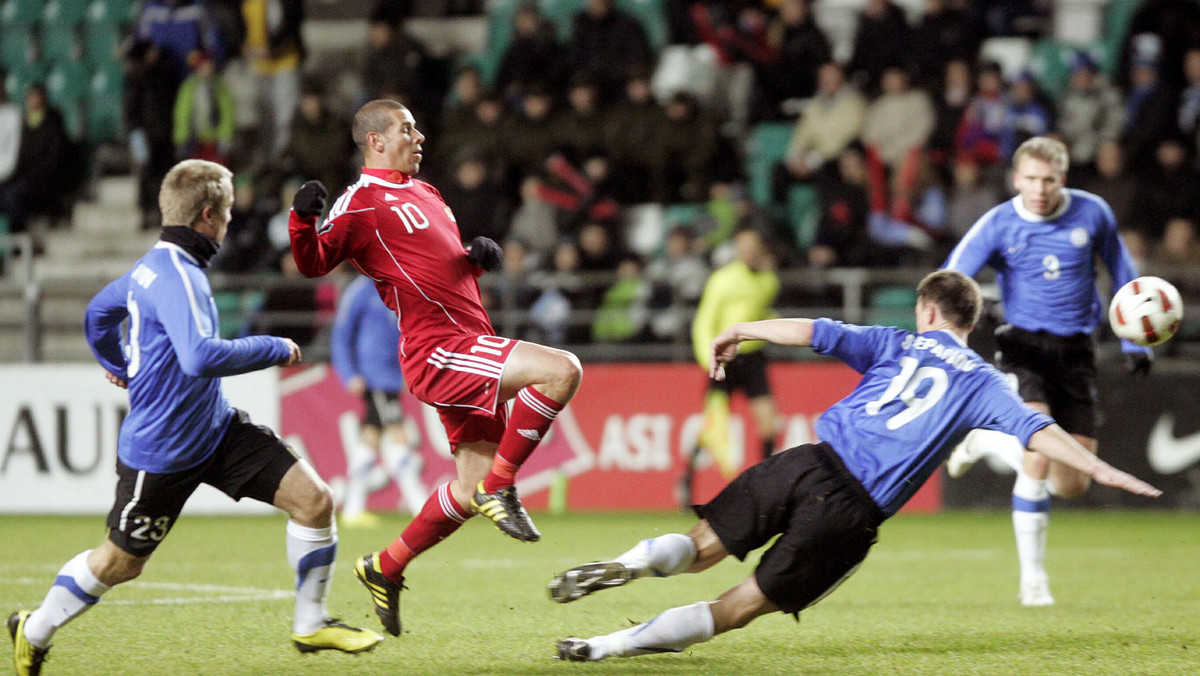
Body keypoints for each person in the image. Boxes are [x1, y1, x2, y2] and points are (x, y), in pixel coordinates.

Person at [547, 269, 1162, 663]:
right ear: (969, 323)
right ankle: (608, 646)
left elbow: (815, 330)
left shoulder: (895, 343)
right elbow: (1038, 430)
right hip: (851, 512)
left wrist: (742, 329)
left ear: (925, 311)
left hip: (807, 461)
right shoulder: (982, 382)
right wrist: (1098, 468)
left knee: (698, 545)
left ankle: (629, 564)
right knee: (738, 605)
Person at [6, 159, 381, 676]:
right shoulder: (178, 276)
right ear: (208, 216)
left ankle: (311, 622)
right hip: (161, 451)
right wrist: (273, 346)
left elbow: (98, 314)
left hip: (215, 430)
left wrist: (120, 366)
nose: (228, 226)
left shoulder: (151, 266)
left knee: (315, 502)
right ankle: (36, 628)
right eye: (226, 215)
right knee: (120, 563)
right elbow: (199, 356)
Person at [287, 100, 583, 638]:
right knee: (562, 370)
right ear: (376, 141)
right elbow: (312, 264)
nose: (419, 136)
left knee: (468, 488)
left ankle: (386, 566)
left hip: (469, 340)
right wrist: (301, 219)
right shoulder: (360, 202)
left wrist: (473, 259)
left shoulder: (427, 193)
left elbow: (433, 265)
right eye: (407, 128)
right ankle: (504, 486)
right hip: (439, 350)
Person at [942, 136, 1153, 606]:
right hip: (1022, 347)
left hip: (1076, 351)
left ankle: (988, 440)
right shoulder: (998, 223)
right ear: (1016, 179)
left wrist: (1133, 339)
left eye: (1048, 180)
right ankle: (1033, 580)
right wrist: (968, 318)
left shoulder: (1092, 212)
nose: (1039, 189)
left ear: (1063, 179)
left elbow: (1122, 270)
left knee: (1071, 482)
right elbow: (951, 277)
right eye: (1030, 179)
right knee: (1039, 451)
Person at [680, 228, 779, 507]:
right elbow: (704, 321)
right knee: (712, 427)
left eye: (753, 247)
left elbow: (761, 315)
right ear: (737, 250)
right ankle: (686, 481)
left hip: (754, 357)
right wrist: (707, 359)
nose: (749, 252)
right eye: (743, 247)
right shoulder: (723, 280)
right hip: (725, 359)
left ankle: (766, 488)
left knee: (769, 424)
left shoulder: (768, 280)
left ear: (760, 250)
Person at [331, 273, 426, 525]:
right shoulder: (360, 290)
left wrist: (410, 370)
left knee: (370, 438)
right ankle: (421, 508)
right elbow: (341, 334)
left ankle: (353, 509)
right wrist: (349, 373)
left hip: (392, 377)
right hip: (375, 377)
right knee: (398, 436)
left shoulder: (403, 288)